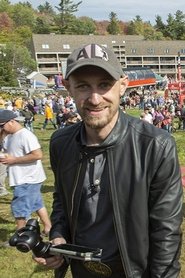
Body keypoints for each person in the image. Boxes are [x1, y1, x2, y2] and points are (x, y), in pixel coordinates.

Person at [34, 43, 183, 277]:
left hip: (133, 271)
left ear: (122, 86)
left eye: (104, 84)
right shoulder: (61, 143)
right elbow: (62, 200)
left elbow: (166, 231)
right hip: (82, 269)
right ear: (68, 88)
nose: (95, 99)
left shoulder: (156, 146)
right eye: (83, 86)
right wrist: (59, 235)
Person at [0, 110, 51, 234]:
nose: (1, 128)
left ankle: (21, 235)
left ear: (12, 121)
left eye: (1, 125)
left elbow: (38, 155)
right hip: (21, 177)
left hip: (28, 178)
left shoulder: (25, 135)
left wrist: (14, 160)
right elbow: (11, 154)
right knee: (37, 204)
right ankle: (49, 227)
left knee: (19, 208)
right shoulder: (10, 137)